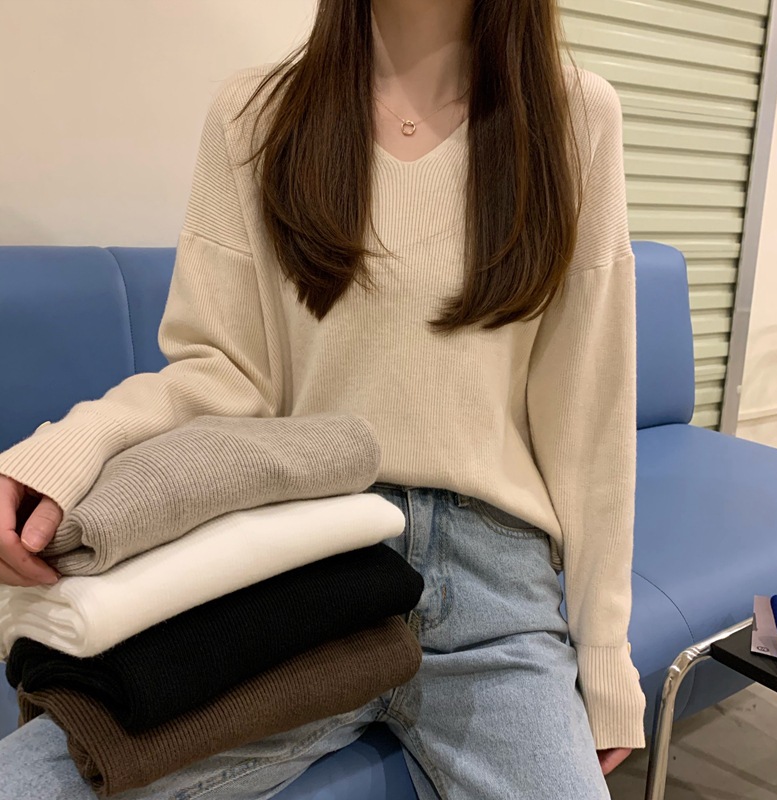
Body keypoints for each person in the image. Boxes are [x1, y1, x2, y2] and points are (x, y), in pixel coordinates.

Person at [0, 0, 647, 797]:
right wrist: (64, 451)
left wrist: (604, 655)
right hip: (301, 571)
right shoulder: (254, 115)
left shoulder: (574, 117)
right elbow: (218, 372)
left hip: (496, 592)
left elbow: (590, 416)